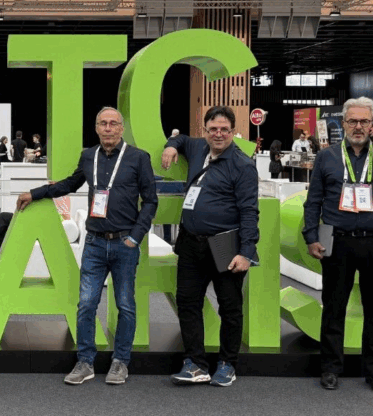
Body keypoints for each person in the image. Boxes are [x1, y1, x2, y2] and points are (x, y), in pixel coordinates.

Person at [16, 107, 157, 386]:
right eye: (103, 123)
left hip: (125, 244)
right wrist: (35, 193)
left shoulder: (138, 158)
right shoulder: (89, 156)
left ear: (121, 128)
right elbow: (70, 184)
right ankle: (85, 362)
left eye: (113, 123)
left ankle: (120, 362)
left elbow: (151, 200)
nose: (108, 128)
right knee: (86, 305)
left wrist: (136, 237)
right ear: (96, 128)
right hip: (94, 243)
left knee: (126, 305)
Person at [301, 97, 373, 395]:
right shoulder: (327, 157)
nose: (358, 127)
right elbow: (313, 201)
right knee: (333, 306)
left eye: (365, 121)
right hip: (337, 241)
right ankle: (330, 368)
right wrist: (311, 236)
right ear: (343, 124)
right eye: (353, 121)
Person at [159, 105, 259, 387]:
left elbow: (249, 212)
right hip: (191, 243)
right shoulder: (198, 148)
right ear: (204, 131)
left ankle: (227, 364)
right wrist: (170, 146)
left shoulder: (242, 165)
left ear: (233, 131)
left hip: (226, 244)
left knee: (229, 307)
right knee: (187, 303)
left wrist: (246, 252)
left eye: (224, 129)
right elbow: (180, 139)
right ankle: (195, 363)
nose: (218, 134)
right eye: (213, 129)